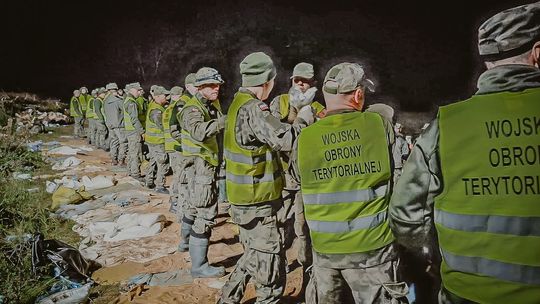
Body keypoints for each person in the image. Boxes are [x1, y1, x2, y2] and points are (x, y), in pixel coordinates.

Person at [389, 2, 540, 304]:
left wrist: (435, 255)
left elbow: (404, 215)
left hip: (464, 294)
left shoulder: (447, 125)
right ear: (537, 53)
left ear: (486, 60)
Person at [290, 62, 407, 304]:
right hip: (373, 251)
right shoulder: (378, 124)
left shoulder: (305, 138)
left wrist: (305, 119)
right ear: (358, 94)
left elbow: (297, 176)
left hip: (325, 252)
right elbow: (385, 111)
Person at [219, 52, 315, 304]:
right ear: (267, 82)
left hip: (246, 199)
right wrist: (304, 117)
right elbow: (287, 140)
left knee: (255, 254)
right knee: (271, 278)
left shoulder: (237, 103)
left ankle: (228, 298)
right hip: (256, 202)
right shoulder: (254, 108)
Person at [178, 67, 226, 278]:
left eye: (217, 85)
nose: (217, 89)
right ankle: (199, 266)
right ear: (200, 87)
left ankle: (185, 243)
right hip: (200, 167)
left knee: (192, 208)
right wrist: (225, 121)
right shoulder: (192, 108)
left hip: (203, 165)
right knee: (205, 213)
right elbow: (199, 132)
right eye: (211, 85)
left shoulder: (210, 104)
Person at [172, 73, 198, 252]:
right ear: (189, 86)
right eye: (196, 85)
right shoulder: (184, 103)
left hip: (192, 153)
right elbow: (177, 129)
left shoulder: (194, 102)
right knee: (185, 187)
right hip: (186, 153)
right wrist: (185, 142)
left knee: (188, 189)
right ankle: (183, 220)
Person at [163, 85, 185, 212]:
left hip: (170, 144)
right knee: (178, 176)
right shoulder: (177, 108)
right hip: (175, 145)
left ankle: (174, 199)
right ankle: (175, 202)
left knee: (177, 175)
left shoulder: (168, 109)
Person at [144, 86, 170, 193]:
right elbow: (161, 125)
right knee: (162, 163)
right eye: (165, 95)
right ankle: (160, 185)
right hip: (158, 141)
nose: (167, 97)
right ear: (158, 96)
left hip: (151, 140)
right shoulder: (156, 110)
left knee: (153, 161)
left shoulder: (154, 105)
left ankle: (148, 181)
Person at [123, 82, 146, 181]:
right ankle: (135, 173)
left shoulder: (129, 100)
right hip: (133, 131)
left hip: (130, 130)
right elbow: (134, 119)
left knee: (132, 152)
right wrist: (142, 131)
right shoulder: (131, 102)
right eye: (138, 90)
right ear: (132, 90)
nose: (139, 92)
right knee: (136, 153)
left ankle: (130, 171)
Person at [103, 82, 127, 166]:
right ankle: (121, 160)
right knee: (123, 142)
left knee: (113, 142)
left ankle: (114, 160)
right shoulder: (118, 100)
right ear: (115, 90)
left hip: (110, 125)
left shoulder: (105, 100)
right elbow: (125, 111)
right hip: (119, 125)